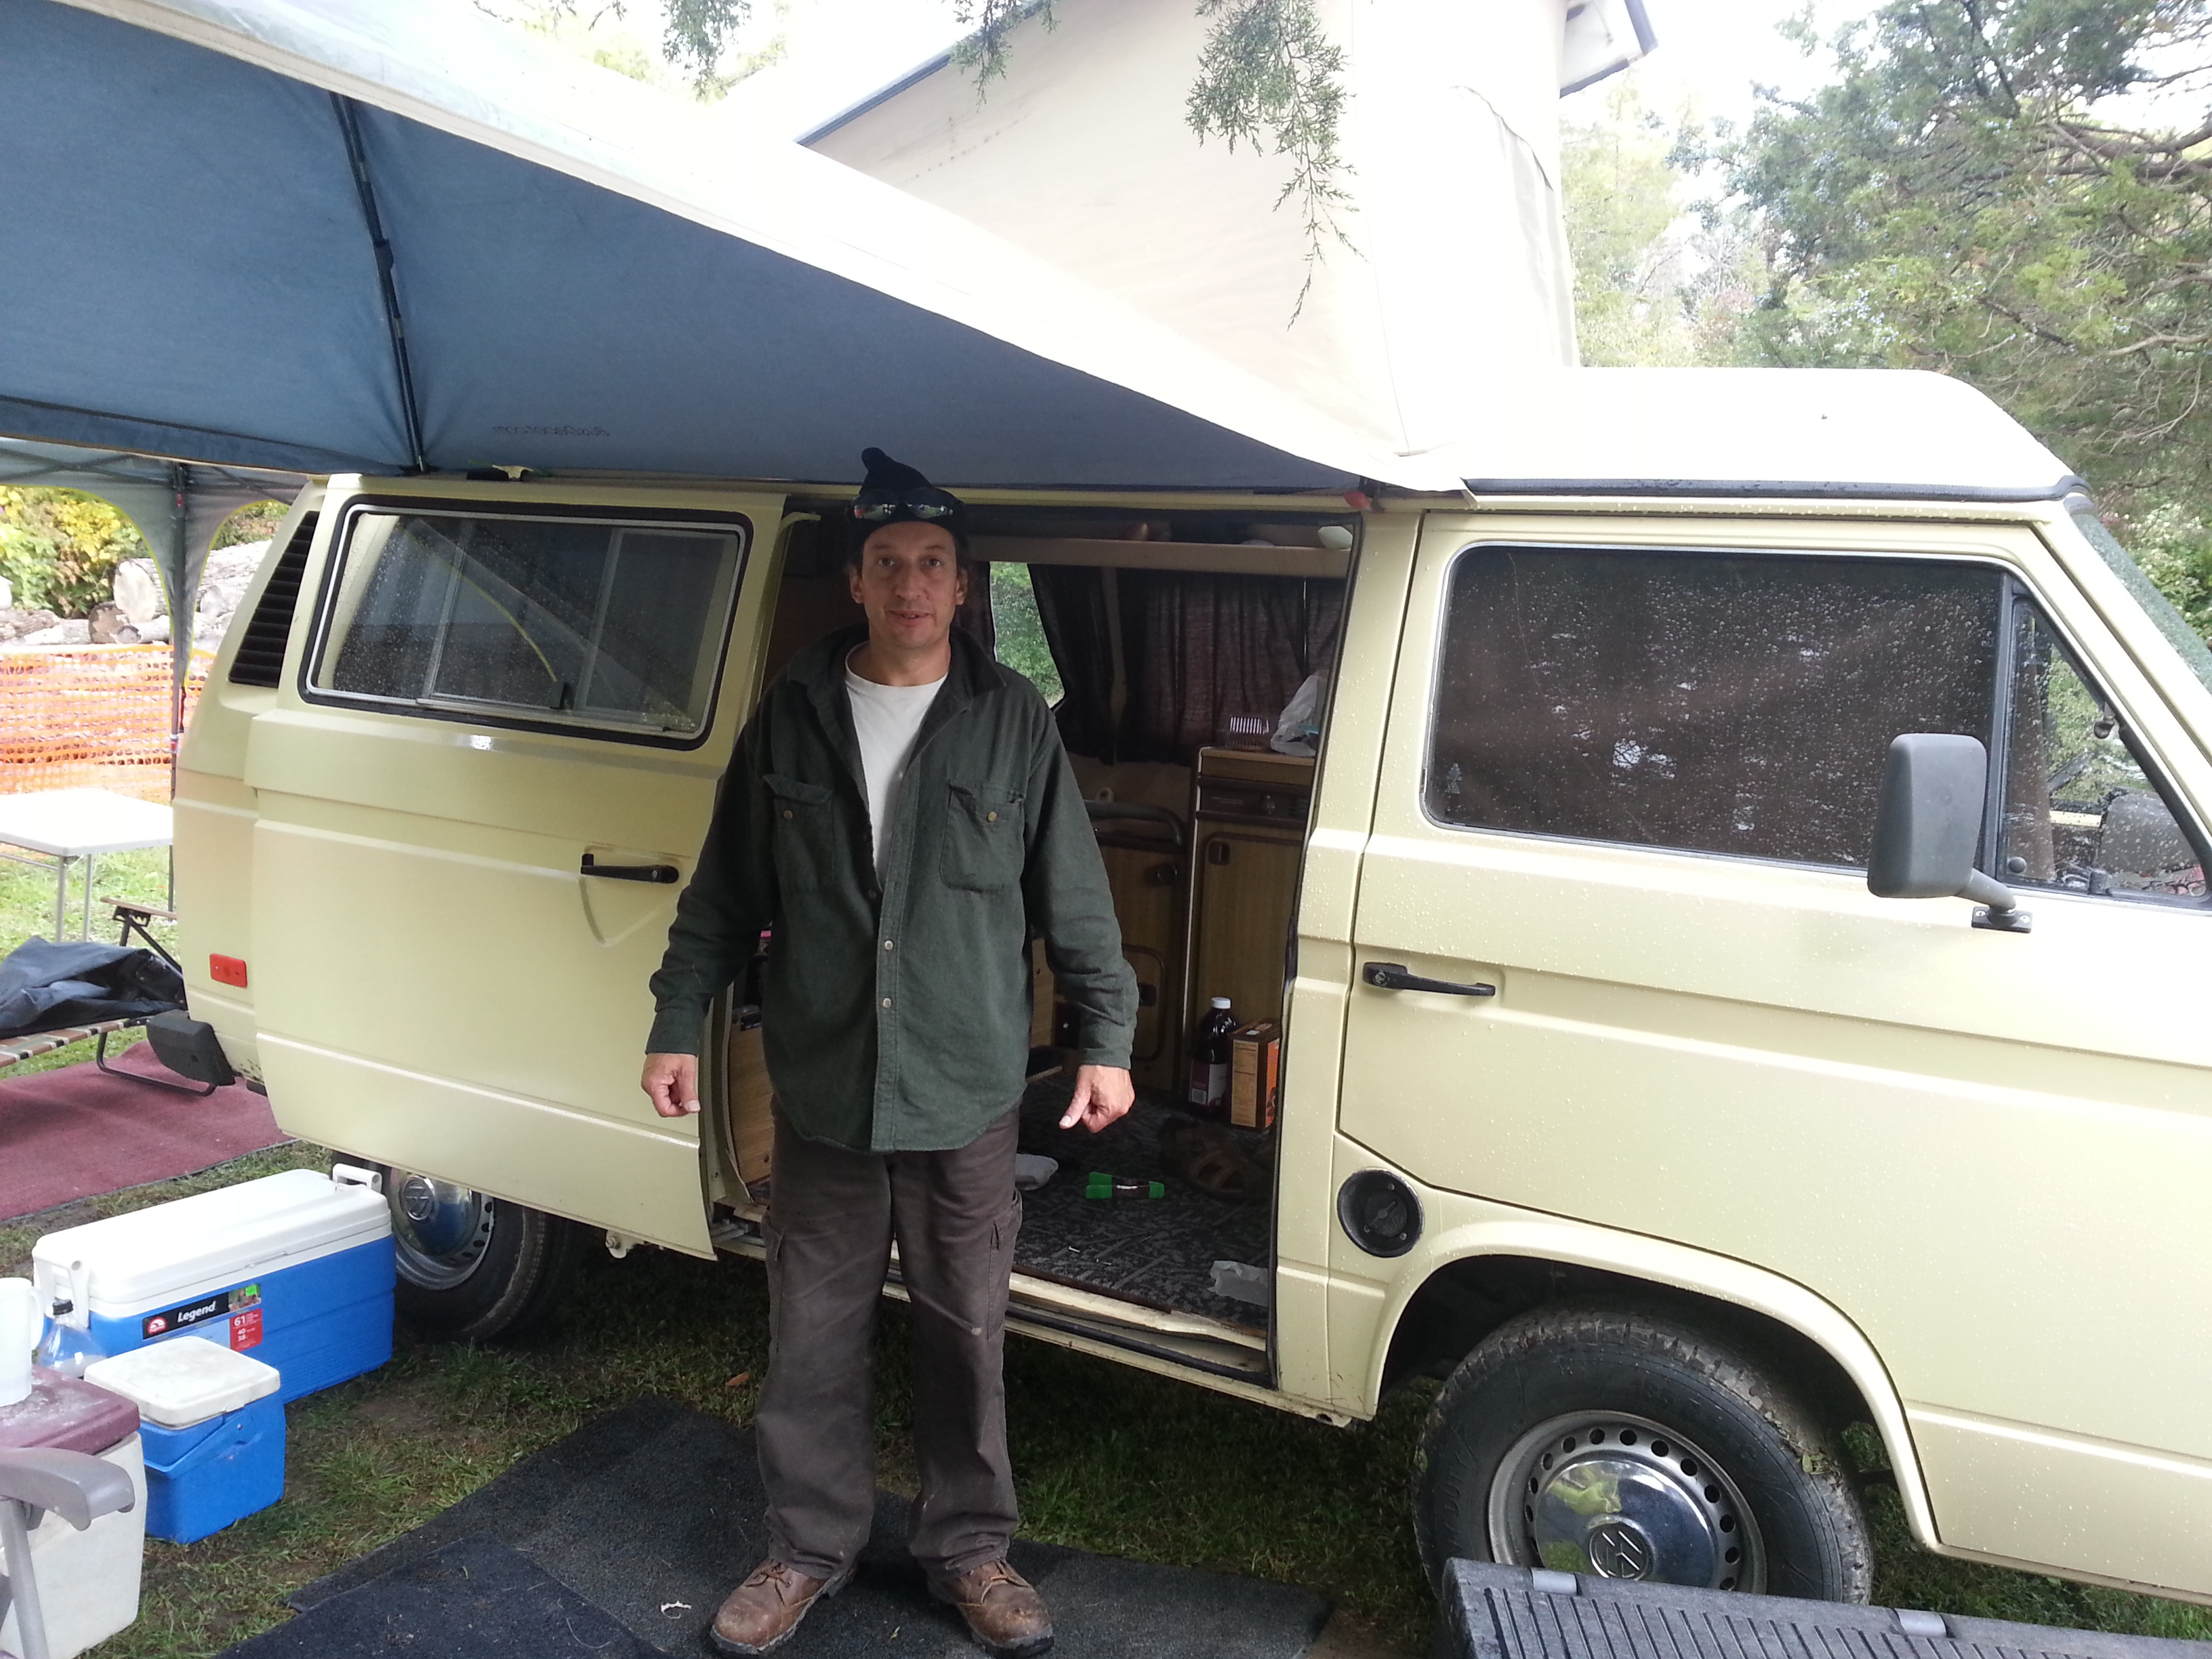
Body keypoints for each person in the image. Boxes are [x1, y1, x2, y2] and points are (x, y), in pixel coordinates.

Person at [641, 449, 1137, 1659]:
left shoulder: (1012, 721)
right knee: (811, 1336)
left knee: (967, 1333)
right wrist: (674, 1022)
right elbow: (723, 895)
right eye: (887, 563)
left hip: (965, 1088)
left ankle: (970, 1551)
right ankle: (808, 1549)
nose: (911, 585)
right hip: (825, 1090)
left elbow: (1073, 897)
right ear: (856, 581)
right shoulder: (792, 715)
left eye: (932, 564)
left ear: (963, 587)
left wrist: (1106, 1039)